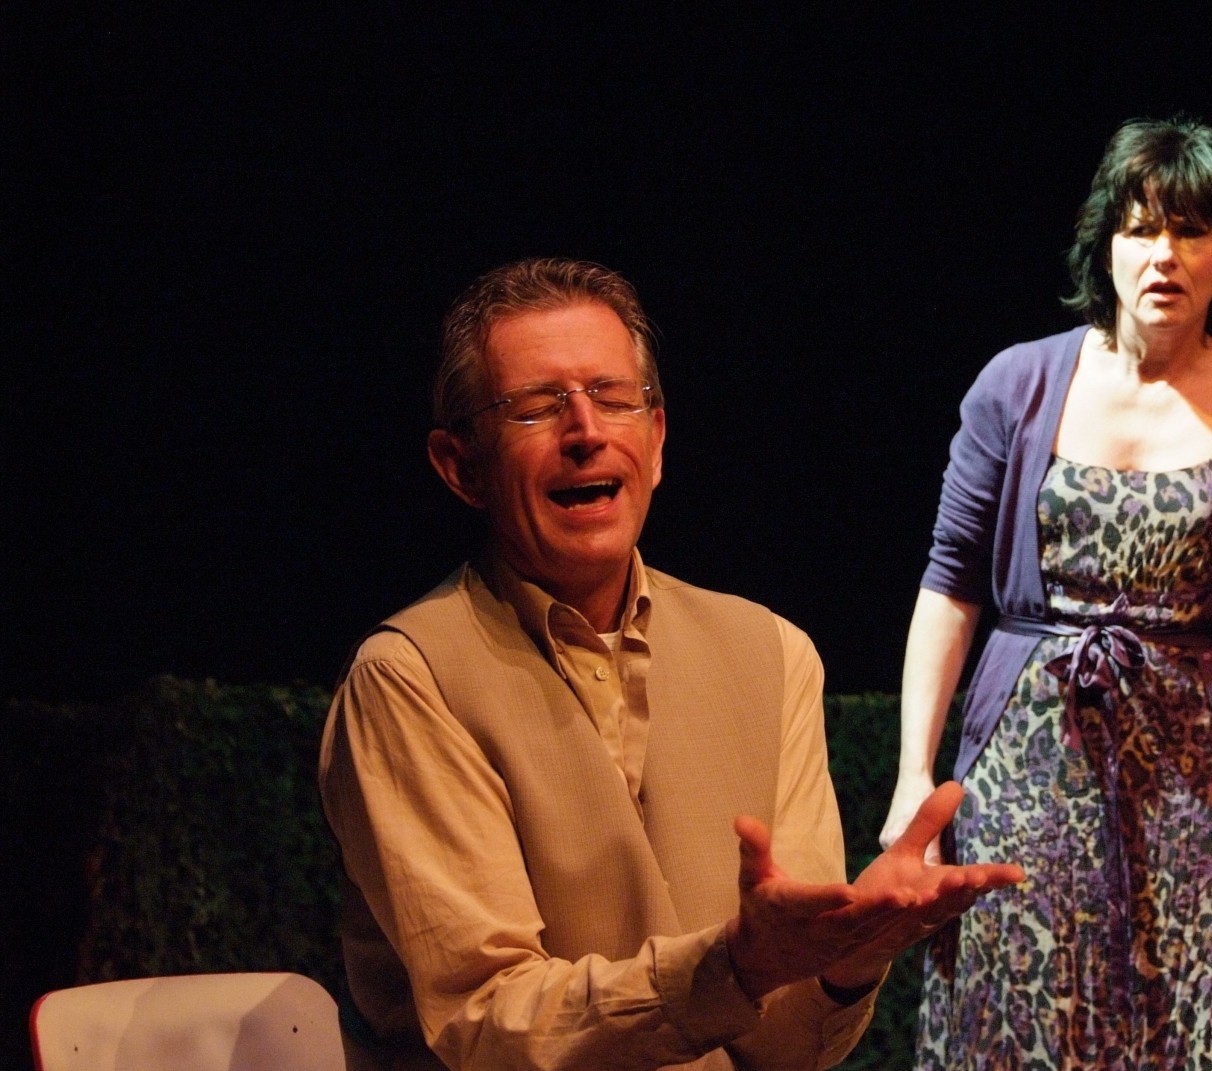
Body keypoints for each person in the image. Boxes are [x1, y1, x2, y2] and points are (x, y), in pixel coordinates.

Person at [319, 258, 1023, 1071]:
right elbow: (488, 1023)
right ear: (461, 465)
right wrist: (732, 968)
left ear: (655, 441)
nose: (585, 430)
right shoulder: (408, 679)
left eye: (612, 396)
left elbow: (789, 1048)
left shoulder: (772, 652)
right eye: (536, 407)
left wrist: (849, 958)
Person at [879, 118, 1212, 1068]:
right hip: (1027, 775)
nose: (1164, 254)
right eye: (1140, 229)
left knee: (1206, 1020)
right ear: (1105, 246)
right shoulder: (1016, 385)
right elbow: (950, 586)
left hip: (1199, 790)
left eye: (1191, 231)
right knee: (1024, 1018)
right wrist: (912, 779)